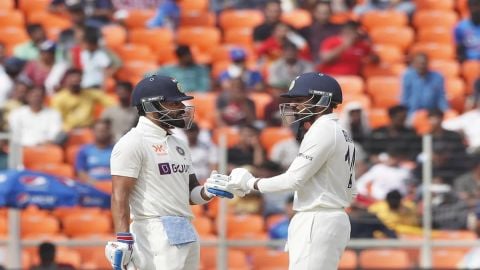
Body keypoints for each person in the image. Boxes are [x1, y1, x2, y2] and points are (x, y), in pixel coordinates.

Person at [226, 73, 356, 270]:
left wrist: (250, 182)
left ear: (322, 101)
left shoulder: (323, 130)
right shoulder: (339, 131)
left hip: (317, 218)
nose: (294, 105)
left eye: (299, 100)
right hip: (328, 216)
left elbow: (293, 180)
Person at [106, 75, 234, 270]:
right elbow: (119, 195)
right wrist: (123, 239)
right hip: (153, 230)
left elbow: (191, 195)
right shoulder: (132, 142)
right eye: (174, 103)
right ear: (150, 106)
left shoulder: (179, 144)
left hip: (185, 227)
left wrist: (208, 190)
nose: (182, 108)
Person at [51, 68, 116, 132]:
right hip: (69, 131)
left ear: (81, 79)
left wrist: (105, 115)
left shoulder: (90, 94)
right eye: (72, 79)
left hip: (89, 128)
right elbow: (56, 118)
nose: (75, 82)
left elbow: (112, 104)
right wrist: (67, 129)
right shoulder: (59, 98)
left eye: (77, 80)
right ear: (67, 80)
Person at [75, 119, 114, 184]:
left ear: (109, 132)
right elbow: (80, 172)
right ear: (93, 132)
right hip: (91, 186)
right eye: (99, 131)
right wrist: (94, 183)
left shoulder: (115, 151)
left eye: (104, 131)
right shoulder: (84, 150)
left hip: (111, 185)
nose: (101, 133)